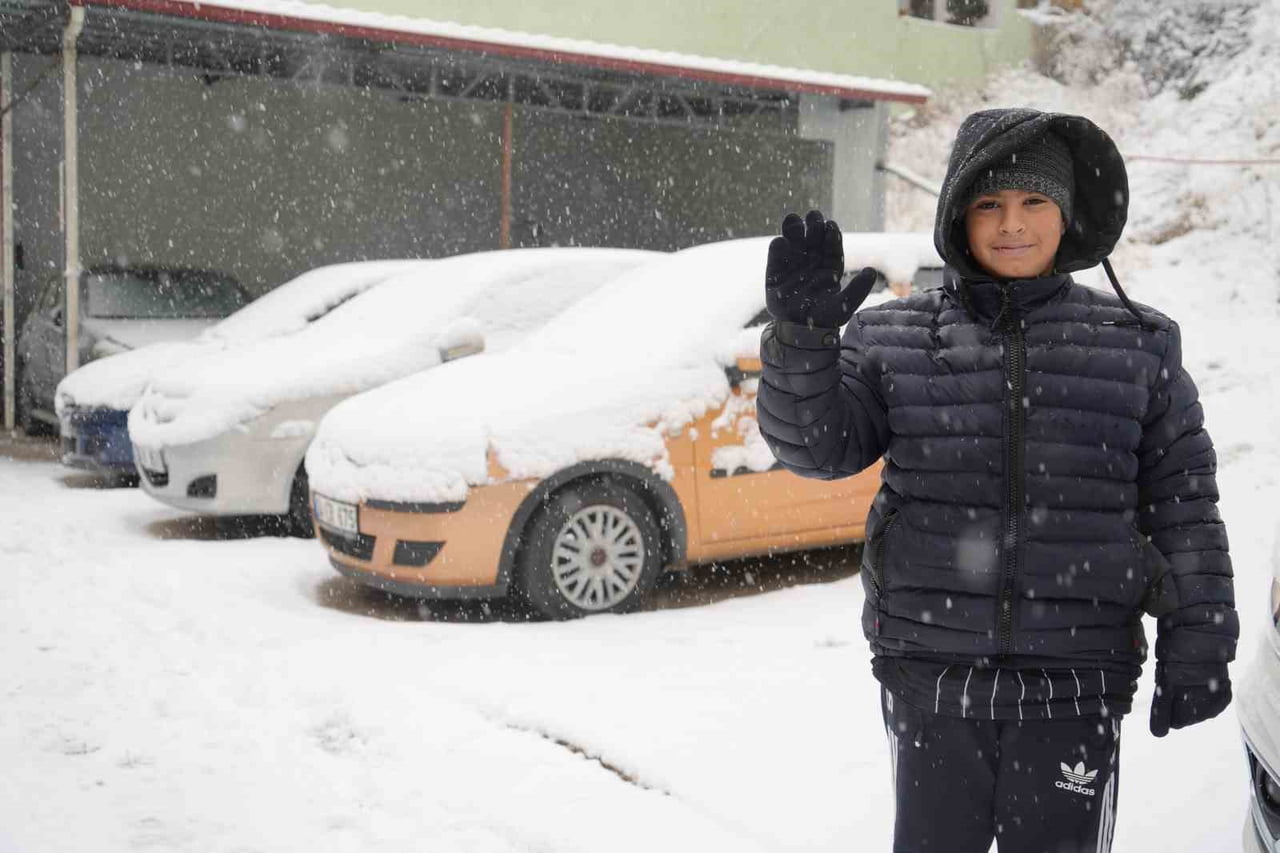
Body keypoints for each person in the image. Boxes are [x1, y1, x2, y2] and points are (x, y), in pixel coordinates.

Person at [757, 108, 1237, 852]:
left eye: (1034, 202)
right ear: (958, 213)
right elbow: (817, 448)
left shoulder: (1139, 343)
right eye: (990, 204)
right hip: (931, 678)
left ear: (1067, 213)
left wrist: (1198, 639)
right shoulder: (894, 337)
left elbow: (1186, 507)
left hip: (1077, 681)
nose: (1012, 223)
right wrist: (801, 341)